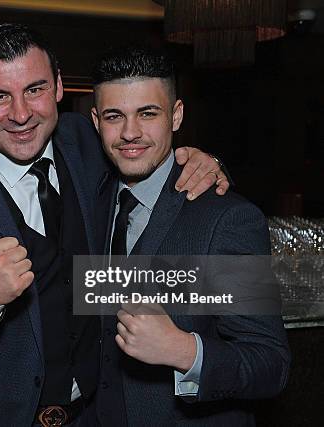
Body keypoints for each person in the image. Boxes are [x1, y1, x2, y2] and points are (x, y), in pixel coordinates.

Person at [0, 24, 226, 426]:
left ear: (58, 87)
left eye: (35, 90)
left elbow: (145, 140)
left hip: (97, 414)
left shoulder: (88, 142)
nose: (21, 114)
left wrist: (202, 160)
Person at [90, 47, 290, 426]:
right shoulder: (94, 199)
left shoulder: (227, 219)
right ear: (97, 121)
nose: (130, 133)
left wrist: (185, 351)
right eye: (115, 116)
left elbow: (271, 364)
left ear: (176, 115)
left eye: (148, 113)